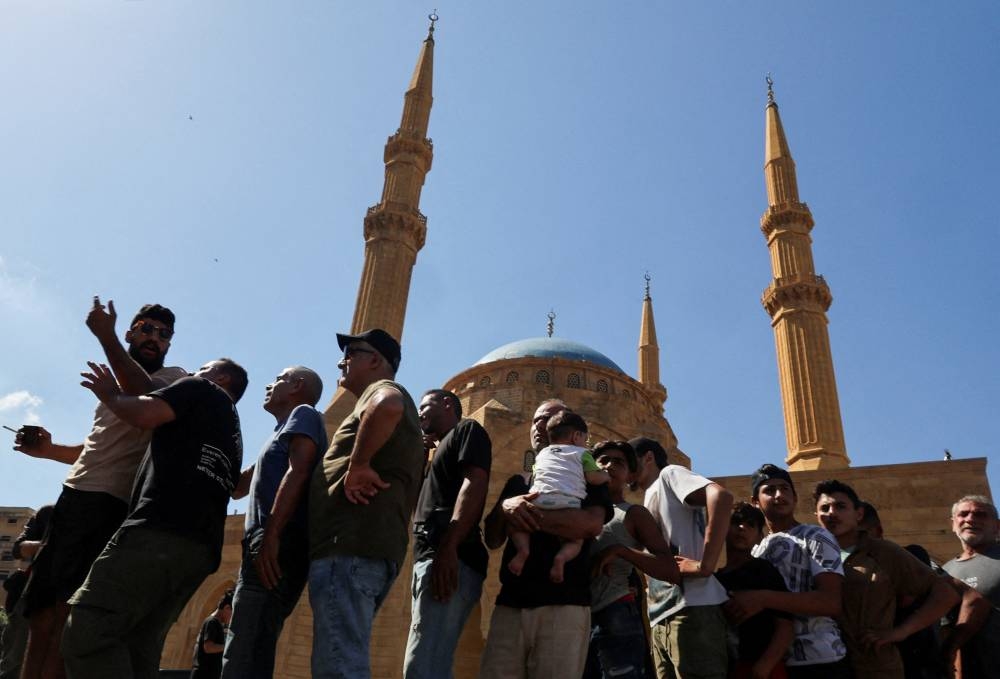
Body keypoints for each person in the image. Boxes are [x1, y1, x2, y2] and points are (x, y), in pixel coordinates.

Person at [13, 299, 186, 679]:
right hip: (72, 500)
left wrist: (106, 338)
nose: (155, 338)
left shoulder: (174, 378)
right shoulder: (112, 386)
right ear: (131, 332)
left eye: (163, 334)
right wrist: (49, 451)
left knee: (66, 618)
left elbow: (144, 396)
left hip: (109, 506)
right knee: (40, 616)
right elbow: (94, 447)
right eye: (146, 329)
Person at [61, 357, 246, 679]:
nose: (193, 372)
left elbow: (145, 414)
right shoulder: (231, 430)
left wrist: (110, 394)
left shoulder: (201, 388)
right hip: (200, 550)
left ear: (221, 377)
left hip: (158, 531)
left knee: (90, 631)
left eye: (202, 368)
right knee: (139, 645)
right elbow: (237, 488)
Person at [307, 329, 424, 679]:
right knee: (344, 653)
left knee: (338, 663)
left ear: (375, 360)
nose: (341, 362)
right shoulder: (394, 416)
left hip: (351, 544)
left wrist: (357, 465)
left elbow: (388, 405)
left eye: (352, 352)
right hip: (370, 547)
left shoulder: (381, 391)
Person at [479, 400, 612, 679]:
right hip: (511, 605)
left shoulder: (584, 474)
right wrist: (506, 508)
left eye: (550, 418)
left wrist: (527, 514)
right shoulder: (518, 482)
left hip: (564, 605)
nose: (541, 424)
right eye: (536, 419)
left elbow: (590, 525)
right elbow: (492, 538)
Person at [221, 367, 327, 679]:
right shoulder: (280, 433)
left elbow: (299, 470)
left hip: (276, 541)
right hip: (265, 540)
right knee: (251, 637)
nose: (270, 384)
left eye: (279, 379)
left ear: (297, 386)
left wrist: (271, 534)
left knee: (247, 645)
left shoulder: (304, 414)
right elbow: (239, 487)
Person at [812, 480, 958, 679]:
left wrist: (901, 631)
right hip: (826, 666)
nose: (832, 513)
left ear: (858, 514)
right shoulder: (810, 554)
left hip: (876, 665)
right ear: (816, 516)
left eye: (841, 506)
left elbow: (946, 593)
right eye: (825, 508)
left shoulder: (882, 552)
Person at [725, 464, 849, 679]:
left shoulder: (816, 536)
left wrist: (763, 598)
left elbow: (830, 601)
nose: (779, 495)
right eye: (769, 490)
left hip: (820, 661)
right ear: (755, 502)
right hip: (773, 664)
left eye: (784, 488)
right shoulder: (756, 550)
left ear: (795, 497)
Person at [403, 389, 492, 679]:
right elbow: (416, 506)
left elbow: (475, 482)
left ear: (447, 404)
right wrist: (419, 457)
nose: (419, 413)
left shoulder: (467, 430)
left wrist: (449, 546)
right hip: (431, 556)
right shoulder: (436, 453)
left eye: (425, 406)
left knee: (424, 662)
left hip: (450, 558)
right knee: (429, 657)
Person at [631, 436, 733, 679]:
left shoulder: (670, 475)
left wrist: (705, 565)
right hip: (662, 616)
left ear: (648, 457)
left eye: (628, 460)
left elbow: (721, 497)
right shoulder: (649, 495)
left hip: (692, 609)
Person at [584, 440, 679, 679]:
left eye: (619, 462)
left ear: (629, 476)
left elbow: (669, 569)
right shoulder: (575, 509)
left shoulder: (633, 514)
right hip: (573, 616)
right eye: (603, 460)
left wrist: (622, 551)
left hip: (615, 614)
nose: (610, 466)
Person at [508, 410, 608, 583]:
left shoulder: (542, 454)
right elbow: (593, 477)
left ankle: (523, 551)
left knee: (517, 526)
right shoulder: (582, 453)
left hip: (538, 499)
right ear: (576, 436)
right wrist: (605, 475)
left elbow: (536, 474)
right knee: (576, 541)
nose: (585, 444)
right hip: (568, 502)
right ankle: (561, 559)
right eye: (585, 439)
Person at [715, 502, 794, 679]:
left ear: (760, 537)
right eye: (736, 522)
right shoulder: (715, 579)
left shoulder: (763, 571)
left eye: (750, 525)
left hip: (764, 669)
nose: (742, 528)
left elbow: (785, 625)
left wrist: (764, 666)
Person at [942, 495, 1000, 678]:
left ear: (997, 526)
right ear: (953, 524)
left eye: (980, 514)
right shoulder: (946, 571)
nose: (970, 519)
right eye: (963, 514)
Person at [0, 505, 53, 679]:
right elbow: (18, 549)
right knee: (15, 662)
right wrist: (50, 545)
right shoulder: (49, 512)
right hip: (34, 596)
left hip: (77, 600)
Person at [191, 590, 233, 679]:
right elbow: (208, 647)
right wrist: (228, 646)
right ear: (227, 608)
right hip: (203, 675)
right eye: (232, 613)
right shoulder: (212, 622)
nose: (232, 618)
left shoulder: (216, 623)